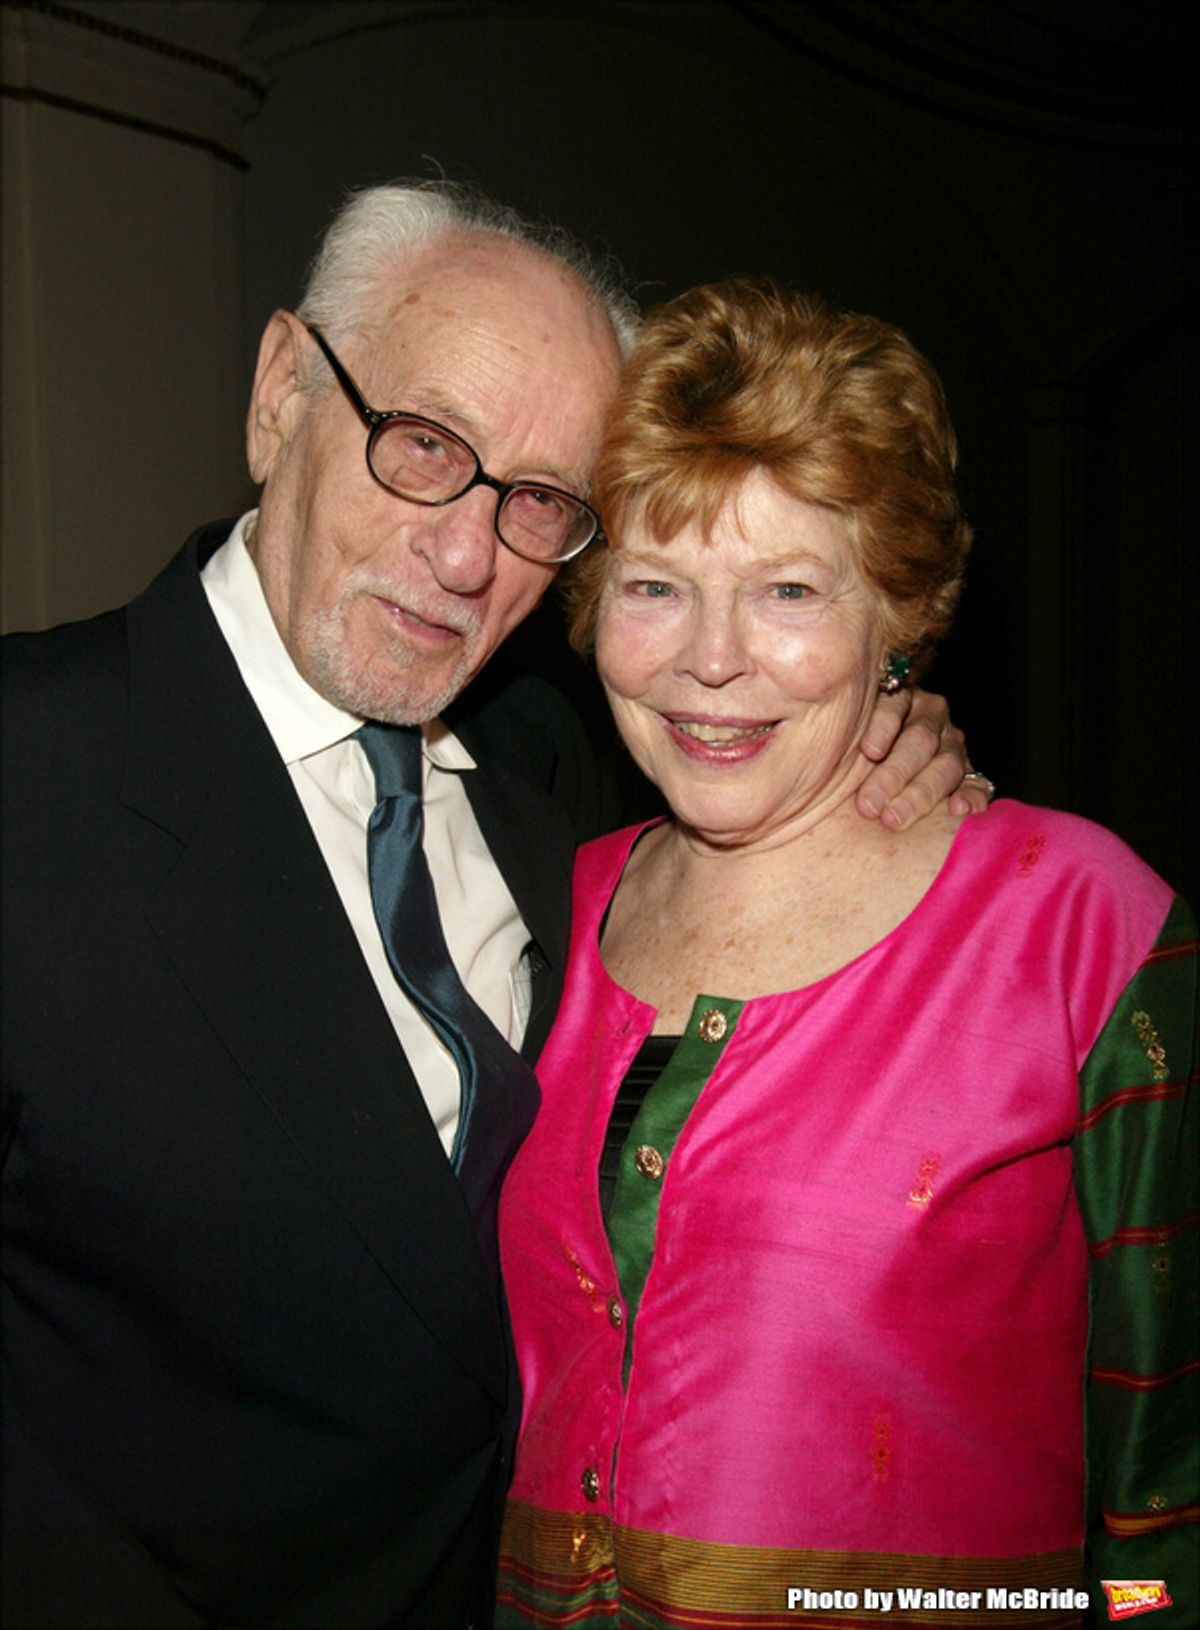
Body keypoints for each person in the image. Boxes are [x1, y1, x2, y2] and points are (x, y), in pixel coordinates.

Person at [0, 190, 977, 1630]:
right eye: (425, 445)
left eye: (540, 502)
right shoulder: (34, 770)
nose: (468, 559)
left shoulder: (548, 770)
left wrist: (875, 733)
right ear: (281, 395)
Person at [496, 279, 1197, 1628]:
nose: (710, 660)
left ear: (902, 616)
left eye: (788, 590)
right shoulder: (531, 908)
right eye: (655, 586)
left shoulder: (1080, 932)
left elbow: (1170, 1483)